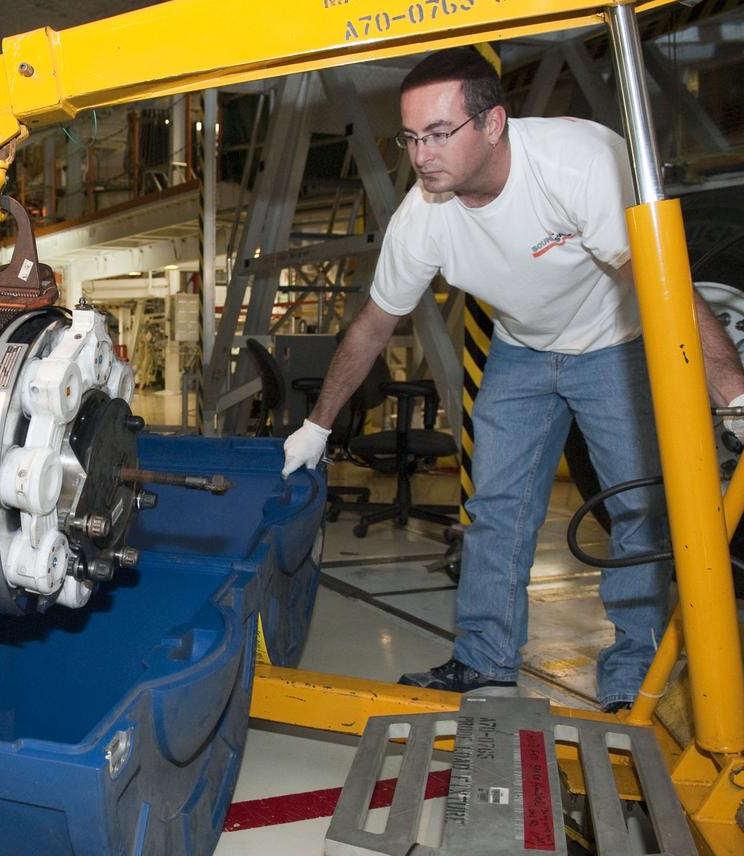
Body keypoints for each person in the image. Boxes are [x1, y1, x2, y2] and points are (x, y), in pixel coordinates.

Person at [281, 48, 744, 712]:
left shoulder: (579, 162)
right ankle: (485, 660)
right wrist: (317, 425)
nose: (421, 154)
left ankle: (633, 669)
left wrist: (733, 392)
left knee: (635, 509)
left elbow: (663, 281)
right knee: (496, 512)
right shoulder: (424, 217)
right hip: (521, 352)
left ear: (494, 123)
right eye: (410, 138)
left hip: (614, 344)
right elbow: (373, 325)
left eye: (438, 133)